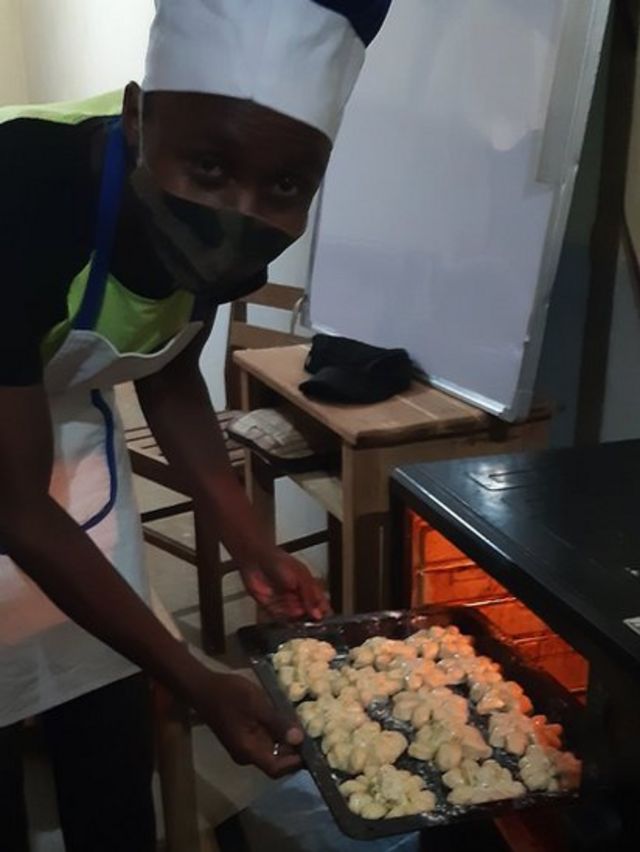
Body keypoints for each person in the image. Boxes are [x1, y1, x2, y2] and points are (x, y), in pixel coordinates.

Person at [0, 1, 393, 850]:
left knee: (105, 715)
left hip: (52, 432)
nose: (240, 211)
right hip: (14, 458)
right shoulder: (20, 195)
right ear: (137, 118)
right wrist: (195, 675)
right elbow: (19, 510)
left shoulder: (224, 220)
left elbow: (169, 367)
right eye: (209, 167)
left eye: (286, 185)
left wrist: (248, 541)